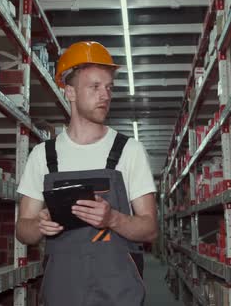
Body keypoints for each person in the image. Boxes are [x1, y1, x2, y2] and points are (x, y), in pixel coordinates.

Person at [16, 41, 158, 306]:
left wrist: (113, 219)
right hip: (62, 294)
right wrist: (38, 225)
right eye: (95, 87)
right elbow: (23, 230)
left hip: (120, 295)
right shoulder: (44, 156)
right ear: (69, 92)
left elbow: (150, 228)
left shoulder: (129, 151)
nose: (105, 95)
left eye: (109, 87)